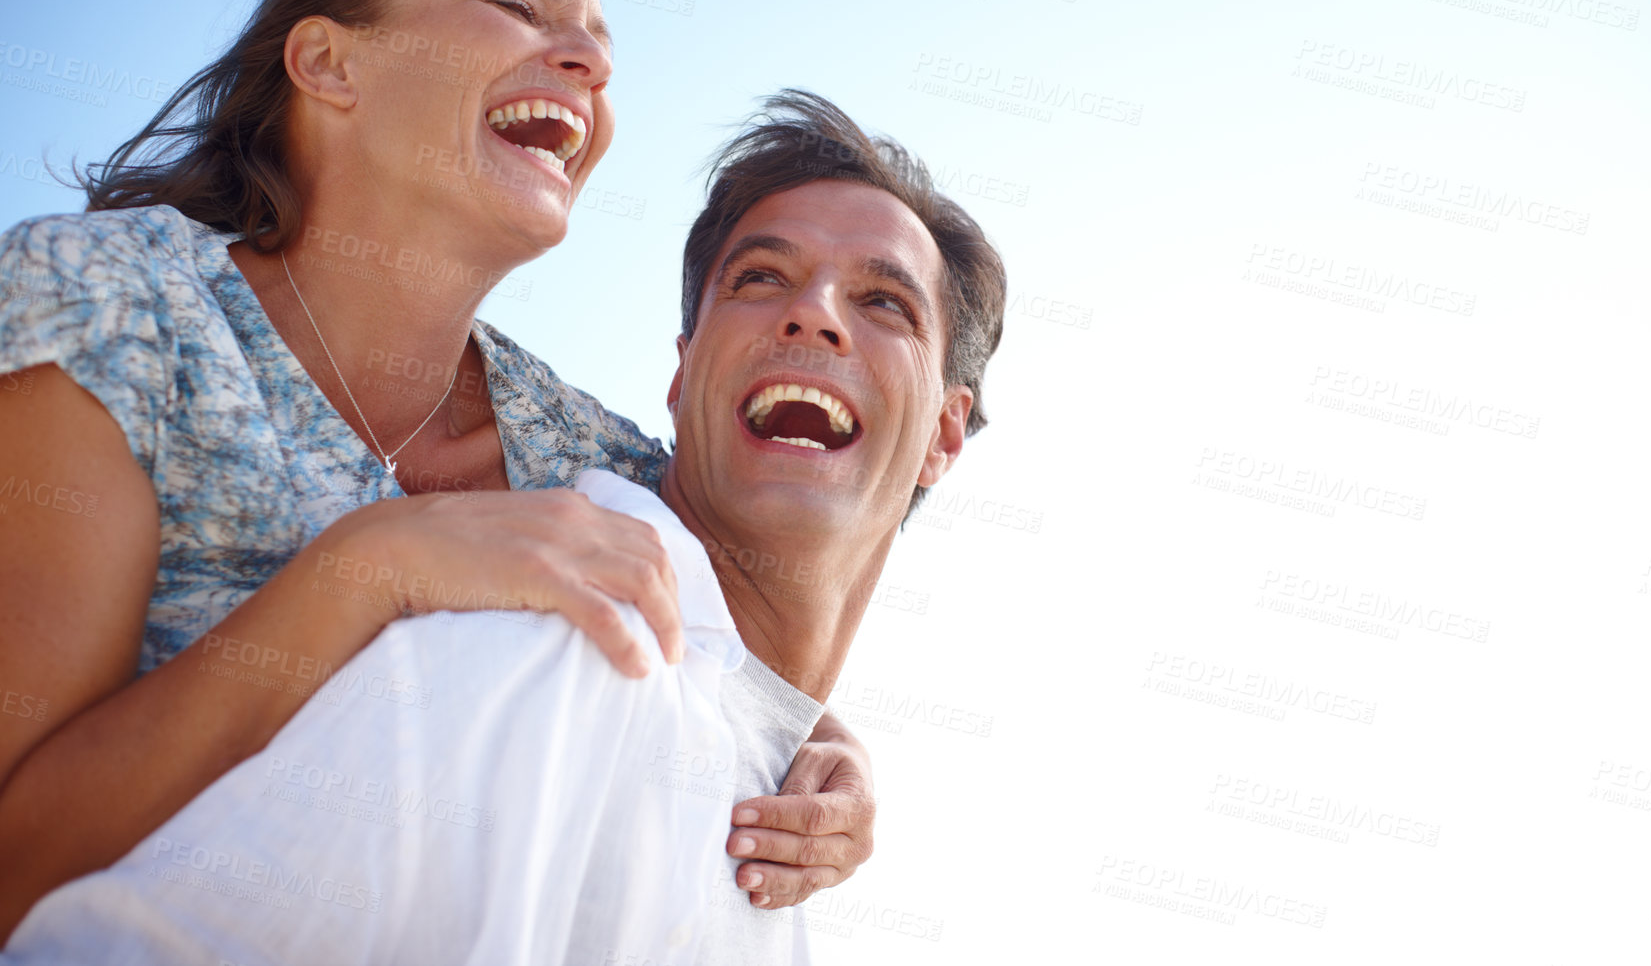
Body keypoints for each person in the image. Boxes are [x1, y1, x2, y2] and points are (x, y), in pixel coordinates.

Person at [0, 0, 871, 938]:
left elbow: (727, 644)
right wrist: (375, 569)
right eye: (517, 5)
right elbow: (13, 864)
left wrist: (835, 752)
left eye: (599, 43)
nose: (591, 64)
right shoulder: (115, 301)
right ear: (329, 62)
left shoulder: (582, 451)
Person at [0, 91, 1008, 965]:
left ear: (945, 433)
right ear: (681, 372)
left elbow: (755, 648)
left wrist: (810, 727)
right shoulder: (563, 649)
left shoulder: (755, 779)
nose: (816, 314)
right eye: (759, 277)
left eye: (883, 300)